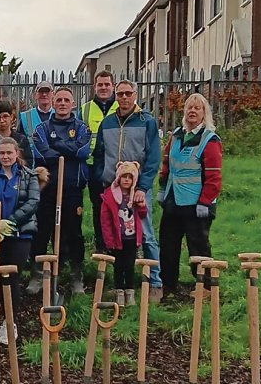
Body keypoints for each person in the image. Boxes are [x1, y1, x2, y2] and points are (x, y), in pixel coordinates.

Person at [91, 79, 164, 302]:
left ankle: (155, 281)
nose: (123, 98)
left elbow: (153, 157)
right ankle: (120, 283)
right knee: (116, 232)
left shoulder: (146, 122)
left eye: (128, 94)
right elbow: (100, 153)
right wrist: (102, 177)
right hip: (113, 188)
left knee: (146, 232)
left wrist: (142, 186)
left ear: (135, 95)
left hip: (137, 188)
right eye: (120, 94)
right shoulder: (108, 122)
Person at [157, 93, 223, 299]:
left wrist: (205, 201)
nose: (192, 111)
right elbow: (166, 165)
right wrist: (161, 189)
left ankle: (206, 287)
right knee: (168, 244)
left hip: (197, 204)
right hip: (173, 200)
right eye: (189, 108)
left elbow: (213, 175)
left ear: (204, 113)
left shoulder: (209, 140)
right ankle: (168, 284)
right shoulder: (176, 136)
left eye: (197, 108)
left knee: (198, 245)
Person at [31, 87, 91, 294]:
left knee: (74, 233)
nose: (63, 103)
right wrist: (68, 148)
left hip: (73, 189)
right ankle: (37, 273)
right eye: (59, 100)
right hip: (47, 189)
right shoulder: (42, 128)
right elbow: (41, 152)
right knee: (41, 231)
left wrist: (57, 145)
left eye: (67, 100)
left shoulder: (82, 128)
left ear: (73, 103)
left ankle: (76, 275)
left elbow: (83, 151)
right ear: (53, 103)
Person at [0, 136, 39, 345]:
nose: (6, 156)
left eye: (9, 153)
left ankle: (11, 322)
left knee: (12, 277)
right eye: (2, 153)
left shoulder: (29, 176)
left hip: (20, 233)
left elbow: (33, 201)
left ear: (16, 153)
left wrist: (10, 221)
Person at [100, 161, 148, 307]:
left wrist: (142, 206)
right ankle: (119, 292)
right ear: (118, 178)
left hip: (132, 239)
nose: (126, 180)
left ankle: (130, 292)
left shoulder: (135, 197)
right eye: (124, 176)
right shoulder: (109, 197)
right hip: (117, 239)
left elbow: (143, 215)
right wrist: (108, 240)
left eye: (130, 177)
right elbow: (105, 221)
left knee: (130, 266)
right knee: (118, 266)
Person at [81, 70, 119, 253]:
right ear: (94, 87)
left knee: (119, 205)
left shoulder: (121, 105)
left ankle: (118, 244)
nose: (103, 88)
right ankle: (101, 245)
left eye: (107, 84)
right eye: (100, 85)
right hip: (93, 163)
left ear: (113, 86)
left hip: (117, 164)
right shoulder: (85, 108)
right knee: (99, 205)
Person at [0, 100, 32, 171]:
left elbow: (28, 163)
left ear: (11, 117)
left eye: (5, 116)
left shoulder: (21, 140)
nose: (2, 120)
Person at [17, 81, 54, 166]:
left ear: (53, 94)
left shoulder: (59, 115)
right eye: (41, 92)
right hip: (32, 167)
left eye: (47, 92)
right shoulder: (25, 117)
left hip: (54, 165)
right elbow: (19, 143)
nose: (44, 94)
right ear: (35, 95)